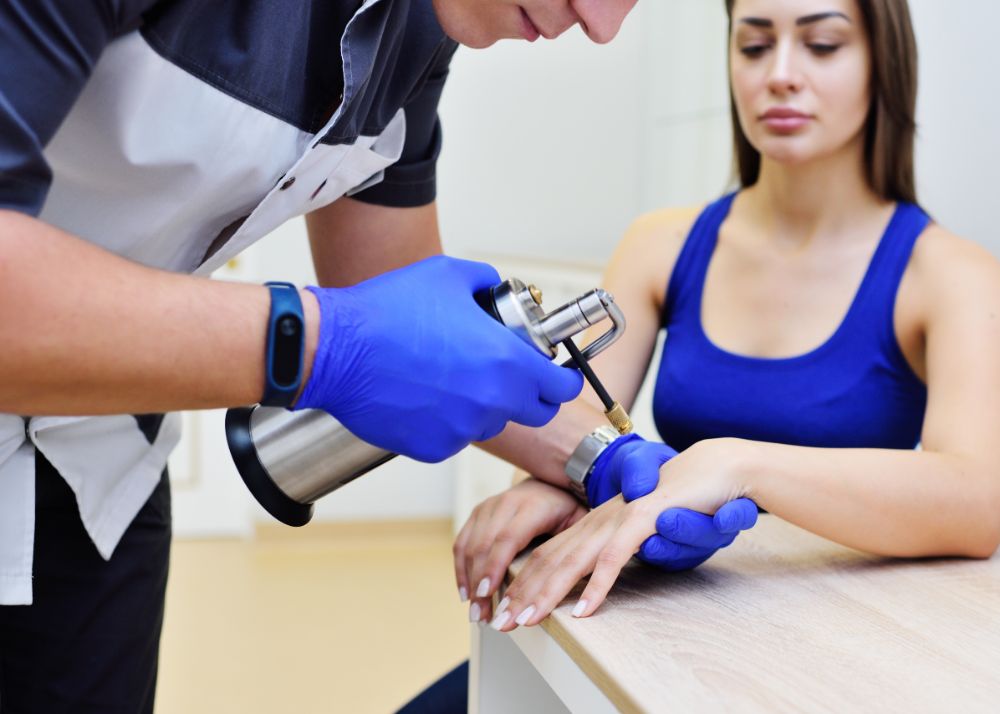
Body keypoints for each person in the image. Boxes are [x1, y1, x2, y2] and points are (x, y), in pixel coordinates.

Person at [0, 1, 640, 711]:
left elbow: (419, 329)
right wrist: (315, 346)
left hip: (99, 467)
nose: (603, 25)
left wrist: (608, 461)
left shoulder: (416, 33)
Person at [452, 0, 1000, 640]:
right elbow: (576, 421)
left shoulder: (952, 274)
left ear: (885, 64)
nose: (781, 75)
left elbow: (976, 500)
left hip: (837, 627)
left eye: (823, 45)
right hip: (666, 612)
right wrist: (553, 484)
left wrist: (742, 465)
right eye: (754, 46)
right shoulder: (662, 243)